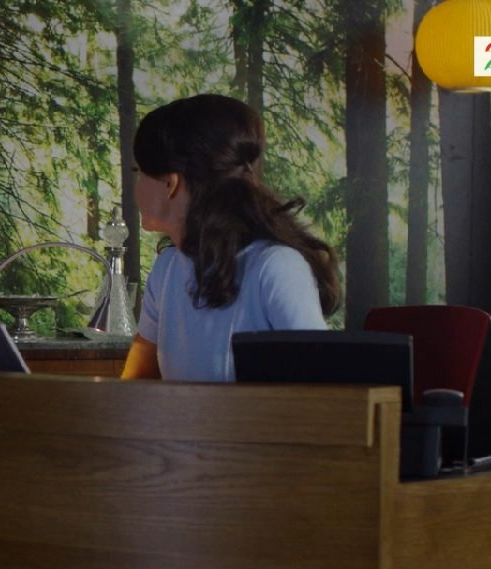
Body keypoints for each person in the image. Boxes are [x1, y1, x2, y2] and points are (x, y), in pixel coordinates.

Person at [120, 94, 341, 381]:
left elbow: (323, 385)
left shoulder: (276, 267)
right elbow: (137, 381)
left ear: (171, 184)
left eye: (139, 172)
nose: (136, 186)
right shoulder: (167, 270)